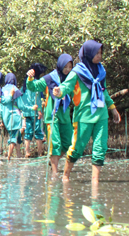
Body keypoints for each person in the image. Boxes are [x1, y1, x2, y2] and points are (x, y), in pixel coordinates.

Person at [52, 40, 121, 184]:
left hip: (101, 115)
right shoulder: (77, 73)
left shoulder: (101, 71)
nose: (99, 56)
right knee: (77, 148)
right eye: (96, 53)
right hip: (83, 116)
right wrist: (58, 92)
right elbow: (66, 86)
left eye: (101, 53)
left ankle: (95, 181)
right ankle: (65, 176)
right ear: (88, 54)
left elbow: (104, 92)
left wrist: (113, 109)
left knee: (100, 147)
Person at [26, 54, 74, 175]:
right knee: (55, 144)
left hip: (65, 115)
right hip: (52, 116)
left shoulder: (71, 79)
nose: (67, 69)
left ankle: (54, 161)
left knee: (69, 144)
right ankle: (55, 173)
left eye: (70, 67)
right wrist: (30, 78)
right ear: (60, 65)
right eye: (65, 66)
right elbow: (33, 86)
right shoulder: (49, 78)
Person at [20, 63, 47, 157]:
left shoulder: (24, 84)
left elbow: (21, 97)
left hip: (27, 112)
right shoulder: (36, 83)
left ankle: (27, 152)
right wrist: (39, 110)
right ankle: (40, 153)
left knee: (28, 132)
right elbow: (37, 98)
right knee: (39, 132)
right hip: (35, 112)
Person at [0, 72, 25, 160]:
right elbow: (21, 105)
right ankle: (9, 156)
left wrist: (0, 119)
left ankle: (19, 155)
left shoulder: (2, 90)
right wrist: (30, 109)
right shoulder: (15, 89)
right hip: (15, 116)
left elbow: (0, 106)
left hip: (5, 116)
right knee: (13, 136)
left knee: (17, 136)